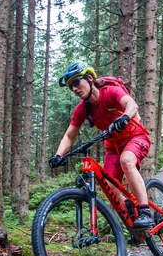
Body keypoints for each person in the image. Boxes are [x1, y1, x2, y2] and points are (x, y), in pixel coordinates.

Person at [48, 61, 154, 228]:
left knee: (126, 161)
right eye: (71, 87)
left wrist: (125, 117)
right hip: (113, 146)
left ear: (90, 78)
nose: (74, 89)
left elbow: (132, 104)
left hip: (135, 136)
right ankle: (133, 220)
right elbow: (69, 135)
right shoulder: (82, 109)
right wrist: (58, 155)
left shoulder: (110, 91)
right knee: (109, 186)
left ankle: (145, 211)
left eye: (76, 82)